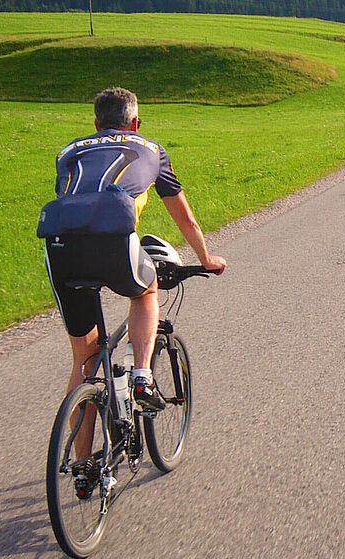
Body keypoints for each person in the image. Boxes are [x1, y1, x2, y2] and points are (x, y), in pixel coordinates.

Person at [40, 87, 227, 484]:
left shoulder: (68, 151)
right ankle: (142, 374)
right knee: (145, 292)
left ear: (95, 123)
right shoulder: (152, 149)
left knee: (85, 360)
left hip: (59, 248)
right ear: (136, 122)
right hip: (114, 241)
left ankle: (82, 467)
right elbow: (185, 218)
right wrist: (207, 259)